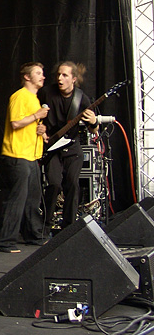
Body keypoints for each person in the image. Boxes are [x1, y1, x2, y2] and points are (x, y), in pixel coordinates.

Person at [0, 62, 49, 253]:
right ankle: (3, 241)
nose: (42, 76)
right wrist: (37, 115)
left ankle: (34, 236)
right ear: (27, 77)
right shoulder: (19, 96)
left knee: (32, 199)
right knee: (16, 199)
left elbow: (28, 124)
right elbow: (16, 123)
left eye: (42, 73)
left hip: (31, 156)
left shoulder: (34, 99)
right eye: (38, 73)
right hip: (17, 155)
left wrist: (41, 129)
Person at [38, 61, 98, 232]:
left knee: (72, 184)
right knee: (54, 184)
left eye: (64, 75)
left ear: (73, 79)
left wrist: (94, 122)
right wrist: (40, 128)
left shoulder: (81, 98)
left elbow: (93, 129)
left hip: (72, 146)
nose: (60, 78)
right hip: (52, 147)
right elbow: (34, 114)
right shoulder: (47, 93)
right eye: (58, 74)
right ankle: (45, 225)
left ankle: (69, 227)